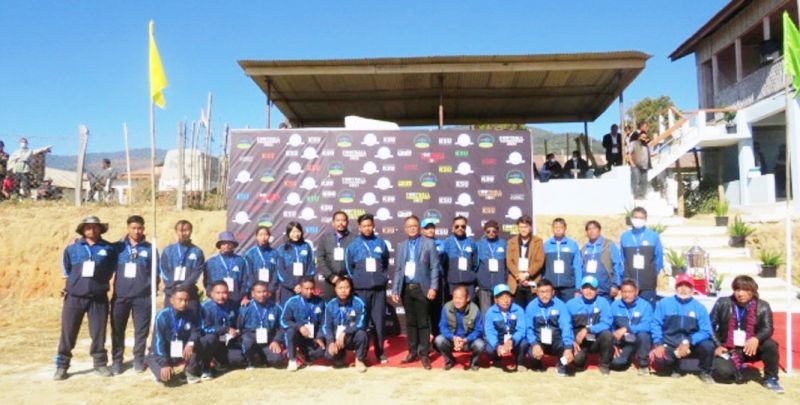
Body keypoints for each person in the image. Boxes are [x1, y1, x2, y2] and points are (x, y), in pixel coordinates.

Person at [54, 216, 118, 380]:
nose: (92, 230)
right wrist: (69, 285)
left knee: (98, 333)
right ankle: (62, 366)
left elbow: (112, 267)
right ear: (82, 230)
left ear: (100, 229)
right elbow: (67, 269)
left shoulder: (109, 248)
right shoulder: (72, 248)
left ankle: (100, 364)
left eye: (95, 227)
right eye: (88, 227)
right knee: (68, 333)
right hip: (74, 297)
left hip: (98, 298)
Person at [710, 275, 783, 393]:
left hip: (751, 348)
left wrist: (756, 338)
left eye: (745, 290)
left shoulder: (763, 306)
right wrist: (717, 345)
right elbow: (709, 326)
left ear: (753, 291)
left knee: (770, 345)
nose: (740, 294)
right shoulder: (722, 303)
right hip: (729, 349)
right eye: (737, 290)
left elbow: (768, 328)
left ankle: (771, 378)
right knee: (723, 372)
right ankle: (736, 370)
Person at [390, 215, 441, 370]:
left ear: (418, 228)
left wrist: (433, 287)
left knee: (423, 322)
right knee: (410, 322)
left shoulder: (429, 244)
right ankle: (412, 352)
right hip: (407, 288)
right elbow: (398, 269)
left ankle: (424, 354)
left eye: (414, 226)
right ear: (405, 229)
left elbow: (434, 267)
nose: (411, 228)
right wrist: (395, 289)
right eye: (409, 226)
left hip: (422, 288)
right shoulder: (401, 245)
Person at [110, 215, 155, 375]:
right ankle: (116, 360)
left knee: (141, 330)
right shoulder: (117, 247)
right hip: (121, 296)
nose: (137, 231)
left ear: (143, 228)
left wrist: (152, 290)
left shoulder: (150, 248)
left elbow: (155, 272)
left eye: (139, 228)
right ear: (128, 228)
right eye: (133, 228)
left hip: (142, 297)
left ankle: (138, 359)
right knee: (117, 329)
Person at [651, 274, 715, 384]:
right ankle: (675, 368)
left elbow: (706, 330)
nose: (684, 289)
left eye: (687, 286)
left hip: (691, 344)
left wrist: (688, 342)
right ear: (675, 288)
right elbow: (655, 324)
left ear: (692, 289)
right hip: (670, 342)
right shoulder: (664, 304)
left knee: (708, 346)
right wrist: (658, 343)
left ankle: (705, 372)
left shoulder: (699, 307)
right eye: (680, 286)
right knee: (659, 359)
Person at [344, 213, 390, 364]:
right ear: (359, 227)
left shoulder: (381, 243)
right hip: (360, 290)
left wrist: (381, 278)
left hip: (378, 290)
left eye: (369, 225)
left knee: (378, 322)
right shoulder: (353, 245)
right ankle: (361, 354)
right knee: (360, 322)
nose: (367, 228)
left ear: (373, 226)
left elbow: (385, 263)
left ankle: (380, 352)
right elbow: (349, 267)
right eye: (364, 226)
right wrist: (357, 280)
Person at [146, 286, 203, 385]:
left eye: (186, 300)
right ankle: (154, 365)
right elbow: (158, 341)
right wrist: (164, 363)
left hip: (181, 350)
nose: (183, 303)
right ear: (172, 300)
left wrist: (190, 343)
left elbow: (196, 331)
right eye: (180, 300)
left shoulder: (190, 314)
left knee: (200, 344)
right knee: (167, 379)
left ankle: (189, 371)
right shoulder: (162, 316)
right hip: (165, 352)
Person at [566, 276, 614, 374]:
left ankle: (604, 365)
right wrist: (571, 341)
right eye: (586, 288)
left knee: (607, 334)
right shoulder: (571, 304)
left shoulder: (603, 302)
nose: (589, 291)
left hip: (596, 339)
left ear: (597, 290)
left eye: (592, 288)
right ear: (581, 289)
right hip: (579, 341)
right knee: (578, 360)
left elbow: (607, 323)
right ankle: (580, 362)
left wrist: (588, 330)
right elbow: (566, 325)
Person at [525, 279, 573, 375]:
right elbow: (528, 329)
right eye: (542, 292)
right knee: (531, 353)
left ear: (553, 292)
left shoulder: (560, 305)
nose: (545, 295)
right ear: (537, 292)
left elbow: (566, 326)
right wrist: (534, 344)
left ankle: (561, 365)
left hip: (556, 341)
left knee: (565, 349)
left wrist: (568, 347)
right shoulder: (531, 307)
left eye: (547, 291)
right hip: (540, 341)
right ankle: (538, 365)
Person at [198, 281, 244, 379]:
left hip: (228, 341)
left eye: (224, 293)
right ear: (211, 294)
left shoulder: (233, 305)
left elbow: (237, 323)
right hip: (212, 341)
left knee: (238, 359)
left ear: (229, 293)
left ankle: (220, 362)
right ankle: (206, 367)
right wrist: (225, 329)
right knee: (209, 338)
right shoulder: (205, 307)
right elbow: (204, 328)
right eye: (218, 293)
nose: (221, 296)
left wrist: (236, 331)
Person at [620, 207, 664, 306]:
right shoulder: (625, 236)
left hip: (647, 284)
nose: (638, 220)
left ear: (645, 219)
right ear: (631, 218)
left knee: (648, 310)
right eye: (636, 217)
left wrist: (651, 273)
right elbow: (622, 259)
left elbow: (659, 258)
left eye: (641, 218)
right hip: (629, 283)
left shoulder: (653, 236)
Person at [323, 277, 369, 372]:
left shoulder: (358, 303)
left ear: (351, 288)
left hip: (350, 337)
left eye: (346, 287)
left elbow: (361, 323)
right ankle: (340, 357)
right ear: (335, 289)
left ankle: (359, 360)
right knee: (329, 356)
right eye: (340, 288)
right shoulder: (330, 305)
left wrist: (345, 332)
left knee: (362, 334)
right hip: (336, 339)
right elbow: (327, 326)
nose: (343, 291)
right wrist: (331, 341)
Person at [434, 285, 485, 371]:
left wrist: (465, 340)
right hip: (452, 340)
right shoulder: (446, 307)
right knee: (439, 340)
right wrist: (453, 337)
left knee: (480, 345)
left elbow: (479, 330)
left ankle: (473, 362)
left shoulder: (475, 309)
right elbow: (442, 327)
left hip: (468, 341)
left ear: (467, 298)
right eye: (455, 298)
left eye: (460, 298)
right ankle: (450, 361)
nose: (457, 301)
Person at [281, 276, 326, 371]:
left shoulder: (320, 302)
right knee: (290, 331)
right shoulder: (292, 302)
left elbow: (324, 322)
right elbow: (284, 320)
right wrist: (299, 327)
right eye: (306, 289)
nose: (309, 291)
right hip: (298, 335)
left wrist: (320, 337)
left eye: (312, 289)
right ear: (300, 288)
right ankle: (292, 360)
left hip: (313, 337)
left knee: (325, 351)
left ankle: (304, 356)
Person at [160, 220, 205, 314]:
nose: (183, 233)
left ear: (191, 231)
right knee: (171, 321)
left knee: (192, 323)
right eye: (180, 230)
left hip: (189, 293)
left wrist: (184, 285)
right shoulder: (168, 251)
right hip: (171, 292)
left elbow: (197, 271)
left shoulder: (197, 252)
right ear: (176, 232)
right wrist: (173, 285)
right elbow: (163, 269)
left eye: (186, 230)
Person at [609, 279, 653, 375]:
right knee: (616, 364)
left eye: (630, 292)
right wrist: (612, 344)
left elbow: (647, 325)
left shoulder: (645, 305)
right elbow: (610, 326)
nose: (627, 295)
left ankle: (643, 364)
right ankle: (629, 357)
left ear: (636, 292)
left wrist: (627, 328)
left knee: (644, 335)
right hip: (624, 341)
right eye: (624, 292)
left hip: (638, 339)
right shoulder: (614, 305)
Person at [238, 281, 285, 369]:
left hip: (268, 338)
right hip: (250, 336)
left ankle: (264, 358)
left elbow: (282, 326)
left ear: (268, 293)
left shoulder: (276, 307)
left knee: (276, 360)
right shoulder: (246, 307)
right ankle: (251, 361)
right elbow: (240, 326)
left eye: (264, 291)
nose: (262, 294)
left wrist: (276, 340)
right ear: (253, 293)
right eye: (258, 292)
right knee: (247, 343)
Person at [483, 284, 527, 371]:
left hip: (514, 340)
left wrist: (512, 341)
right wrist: (497, 345)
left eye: (508, 297)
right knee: (489, 347)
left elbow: (521, 329)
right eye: (502, 298)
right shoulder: (490, 312)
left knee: (524, 343)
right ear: (496, 300)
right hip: (499, 340)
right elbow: (489, 332)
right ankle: (497, 360)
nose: (506, 300)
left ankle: (520, 362)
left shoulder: (518, 310)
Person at [316, 211, 355, 301]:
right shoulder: (325, 238)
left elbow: (357, 260)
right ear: (333, 223)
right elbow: (320, 258)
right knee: (331, 308)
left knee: (349, 310)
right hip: (331, 281)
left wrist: (349, 276)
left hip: (348, 282)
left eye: (343, 220)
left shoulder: (354, 239)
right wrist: (330, 276)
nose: (341, 223)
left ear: (347, 222)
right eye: (338, 220)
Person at [506, 214, 544, 308]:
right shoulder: (511, 242)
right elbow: (509, 262)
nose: (523, 229)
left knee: (532, 310)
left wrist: (526, 274)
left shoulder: (538, 241)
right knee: (517, 311)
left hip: (532, 282)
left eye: (526, 227)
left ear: (530, 227)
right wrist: (519, 275)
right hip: (516, 282)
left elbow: (539, 261)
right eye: (521, 227)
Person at [542, 218, 583, 302]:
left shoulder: (572, 244)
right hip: (551, 287)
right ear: (552, 229)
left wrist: (578, 288)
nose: (558, 229)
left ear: (565, 228)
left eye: (560, 227)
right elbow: (542, 267)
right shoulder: (546, 245)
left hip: (568, 287)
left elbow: (577, 266)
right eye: (555, 227)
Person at [203, 232, 250, 306]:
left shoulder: (240, 261)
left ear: (233, 245)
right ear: (220, 245)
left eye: (229, 243)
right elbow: (207, 281)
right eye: (224, 243)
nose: (226, 246)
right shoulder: (211, 262)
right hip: (217, 299)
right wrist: (211, 294)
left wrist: (242, 295)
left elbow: (245, 280)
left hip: (236, 300)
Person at [581, 220, 623, 302]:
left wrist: (616, 285)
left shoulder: (609, 245)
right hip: (588, 292)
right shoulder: (584, 248)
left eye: (594, 228)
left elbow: (617, 265)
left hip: (605, 292)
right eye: (589, 229)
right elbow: (580, 268)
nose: (591, 231)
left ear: (599, 230)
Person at [276, 222, 316, 305]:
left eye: (298, 231)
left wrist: (303, 285)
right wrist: (293, 286)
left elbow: (311, 266)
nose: (296, 234)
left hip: (304, 288)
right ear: (288, 233)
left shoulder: (306, 246)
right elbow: (280, 271)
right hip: (288, 289)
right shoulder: (282, 249)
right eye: (293, 232)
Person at [442, 216, 478, 301]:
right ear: (453, 228)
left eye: (463, 226)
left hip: (469, 284)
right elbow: (443, 263)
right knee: (451, 311)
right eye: (457, 226)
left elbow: (475, 263)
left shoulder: (472, 242)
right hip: (452, 283)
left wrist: (470, 275)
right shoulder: (447, 242)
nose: (460, 228)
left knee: (469, 310)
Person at [476, 220, 508, 315]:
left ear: (498, 232)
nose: (491, 233)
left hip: (500, 285)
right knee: (485, 312)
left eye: (494, 231)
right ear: (484, 232)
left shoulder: (504, 244)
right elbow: (475, 264)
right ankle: (487, 330)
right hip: (484, 285)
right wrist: (479, 279)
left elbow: (507, 264)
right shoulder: (479, 244)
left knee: (501, 311)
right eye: (488, 231)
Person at [421, 218, 446, 337]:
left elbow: (443, 259)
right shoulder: (418, 243)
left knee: (436, 311)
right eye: (427, 228)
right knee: (423, 312)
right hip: (423, 280)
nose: (430, 230)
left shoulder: (440, 244)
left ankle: (437, 340)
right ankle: (424, 343)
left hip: (437, 280)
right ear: (422, 230)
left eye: (432, 227)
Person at [243, 226, 278, 296]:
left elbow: (276, 273)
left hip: (269, 292)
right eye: (260, 235)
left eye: (265, 234)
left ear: (269, 236)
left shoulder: (274, 253)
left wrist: (271, 290)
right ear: (256, 237)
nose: (263, 237)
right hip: (255, 291)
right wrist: (255, 289)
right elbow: (249, 274)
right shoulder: (250, 253)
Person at [629, 123, 651, 200]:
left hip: (645, 166)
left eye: (645, 137)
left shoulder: (646, 145)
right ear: (639, 137)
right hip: (636, 165)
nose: (643, 138)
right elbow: (628, 154)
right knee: (636, 180)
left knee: (644, 182)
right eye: (642, 137)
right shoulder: (634, 143)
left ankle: (642, 195)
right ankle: (636, 196)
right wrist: (632, 163)